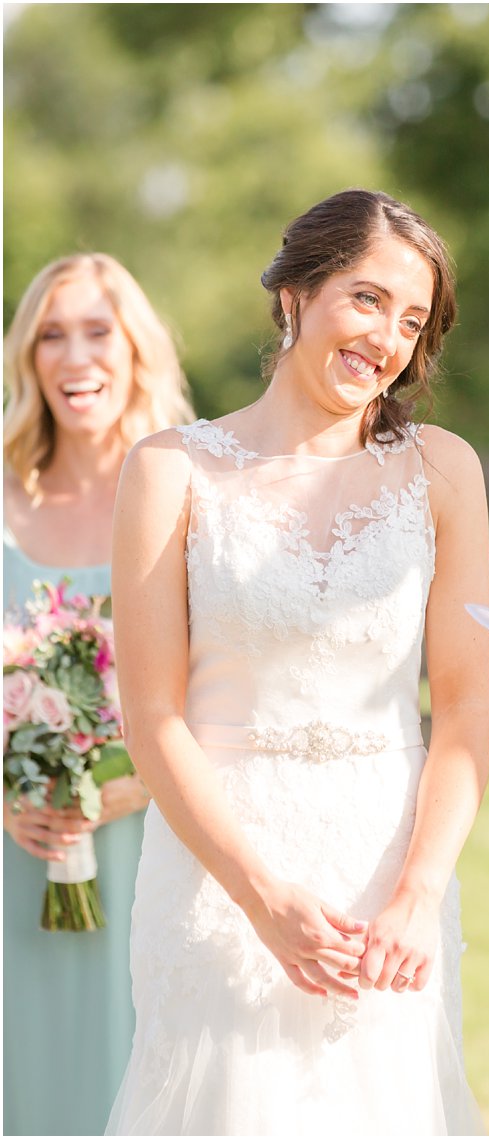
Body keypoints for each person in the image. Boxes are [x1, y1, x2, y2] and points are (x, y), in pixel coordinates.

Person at [106, 189, 489, 1134]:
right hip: (221, 876)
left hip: (386, 876)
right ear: (295, 295)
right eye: (367, 300)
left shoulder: (443, 471)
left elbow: (466, 704)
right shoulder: (170, 470)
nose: (389, 340)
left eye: (413, 321)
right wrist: (262, 896)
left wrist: (417, 892)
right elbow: (151, 718)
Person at [2, 253, 193, 1136]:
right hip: (18, 849)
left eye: (96, 331)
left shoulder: (190, 487)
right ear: (27, 359)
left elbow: (236, 674)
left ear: (135, 348)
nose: (74, 356)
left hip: (157, 840)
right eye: (50, 335)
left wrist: (138, 782)